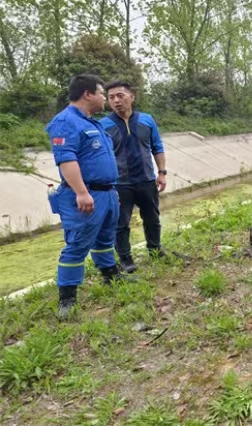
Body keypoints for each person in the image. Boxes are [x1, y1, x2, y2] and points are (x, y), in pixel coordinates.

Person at [45, 74, 126, 319]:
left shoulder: (92, 123)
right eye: (102, 93)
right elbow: (66, 160)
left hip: (106, 193)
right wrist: (81, 192)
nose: (105, 98)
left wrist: (112, 191)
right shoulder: (66, 122)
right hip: (85, 194)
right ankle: (67, 297)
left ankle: (110, 275)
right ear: (87, 94)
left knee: (105, 238)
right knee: (78, 243)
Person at [99, 81, 167, 273]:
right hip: (119, 184)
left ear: (132, 97)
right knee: (120, 223)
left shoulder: (147, 120)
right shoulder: (103, 125)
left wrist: (162, 173)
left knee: (152, 218)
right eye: (111, 97)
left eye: (120, 96)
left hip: (146, 179)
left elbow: (157, 147)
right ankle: (125, 259)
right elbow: (100, 156)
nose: (116, 101)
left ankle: (155, 249)